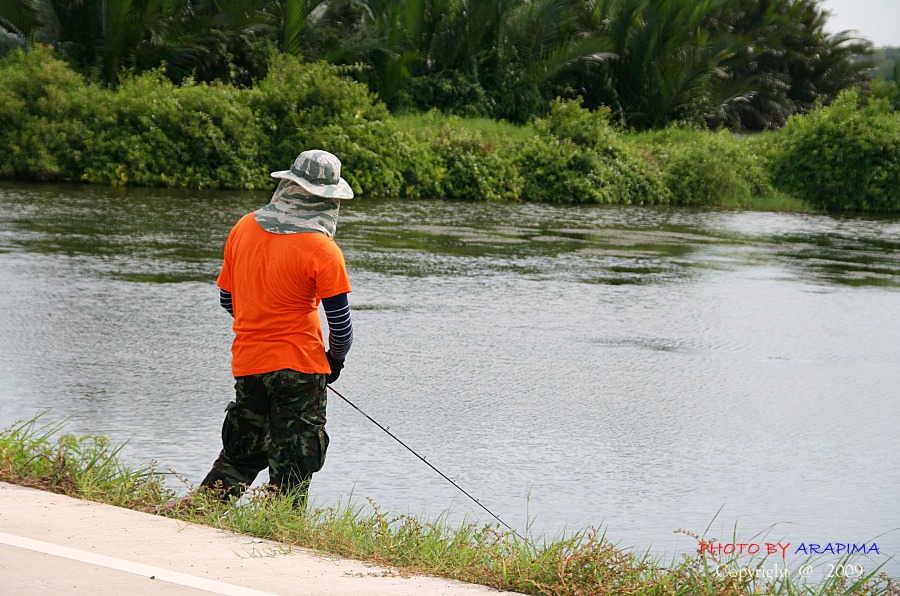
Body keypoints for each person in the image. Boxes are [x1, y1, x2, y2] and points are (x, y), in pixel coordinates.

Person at [162, 149, 354, 512]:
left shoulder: (244, 227)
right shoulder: (323, 249)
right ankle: (281, 530)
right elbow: (341, 326)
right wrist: (335, 361)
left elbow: (227, 299)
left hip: (249, 362)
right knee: (294, 463)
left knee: (242, 452)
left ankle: (195, 513)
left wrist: (259, 322)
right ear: (328, 199)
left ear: (287, 185)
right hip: (301, 368)